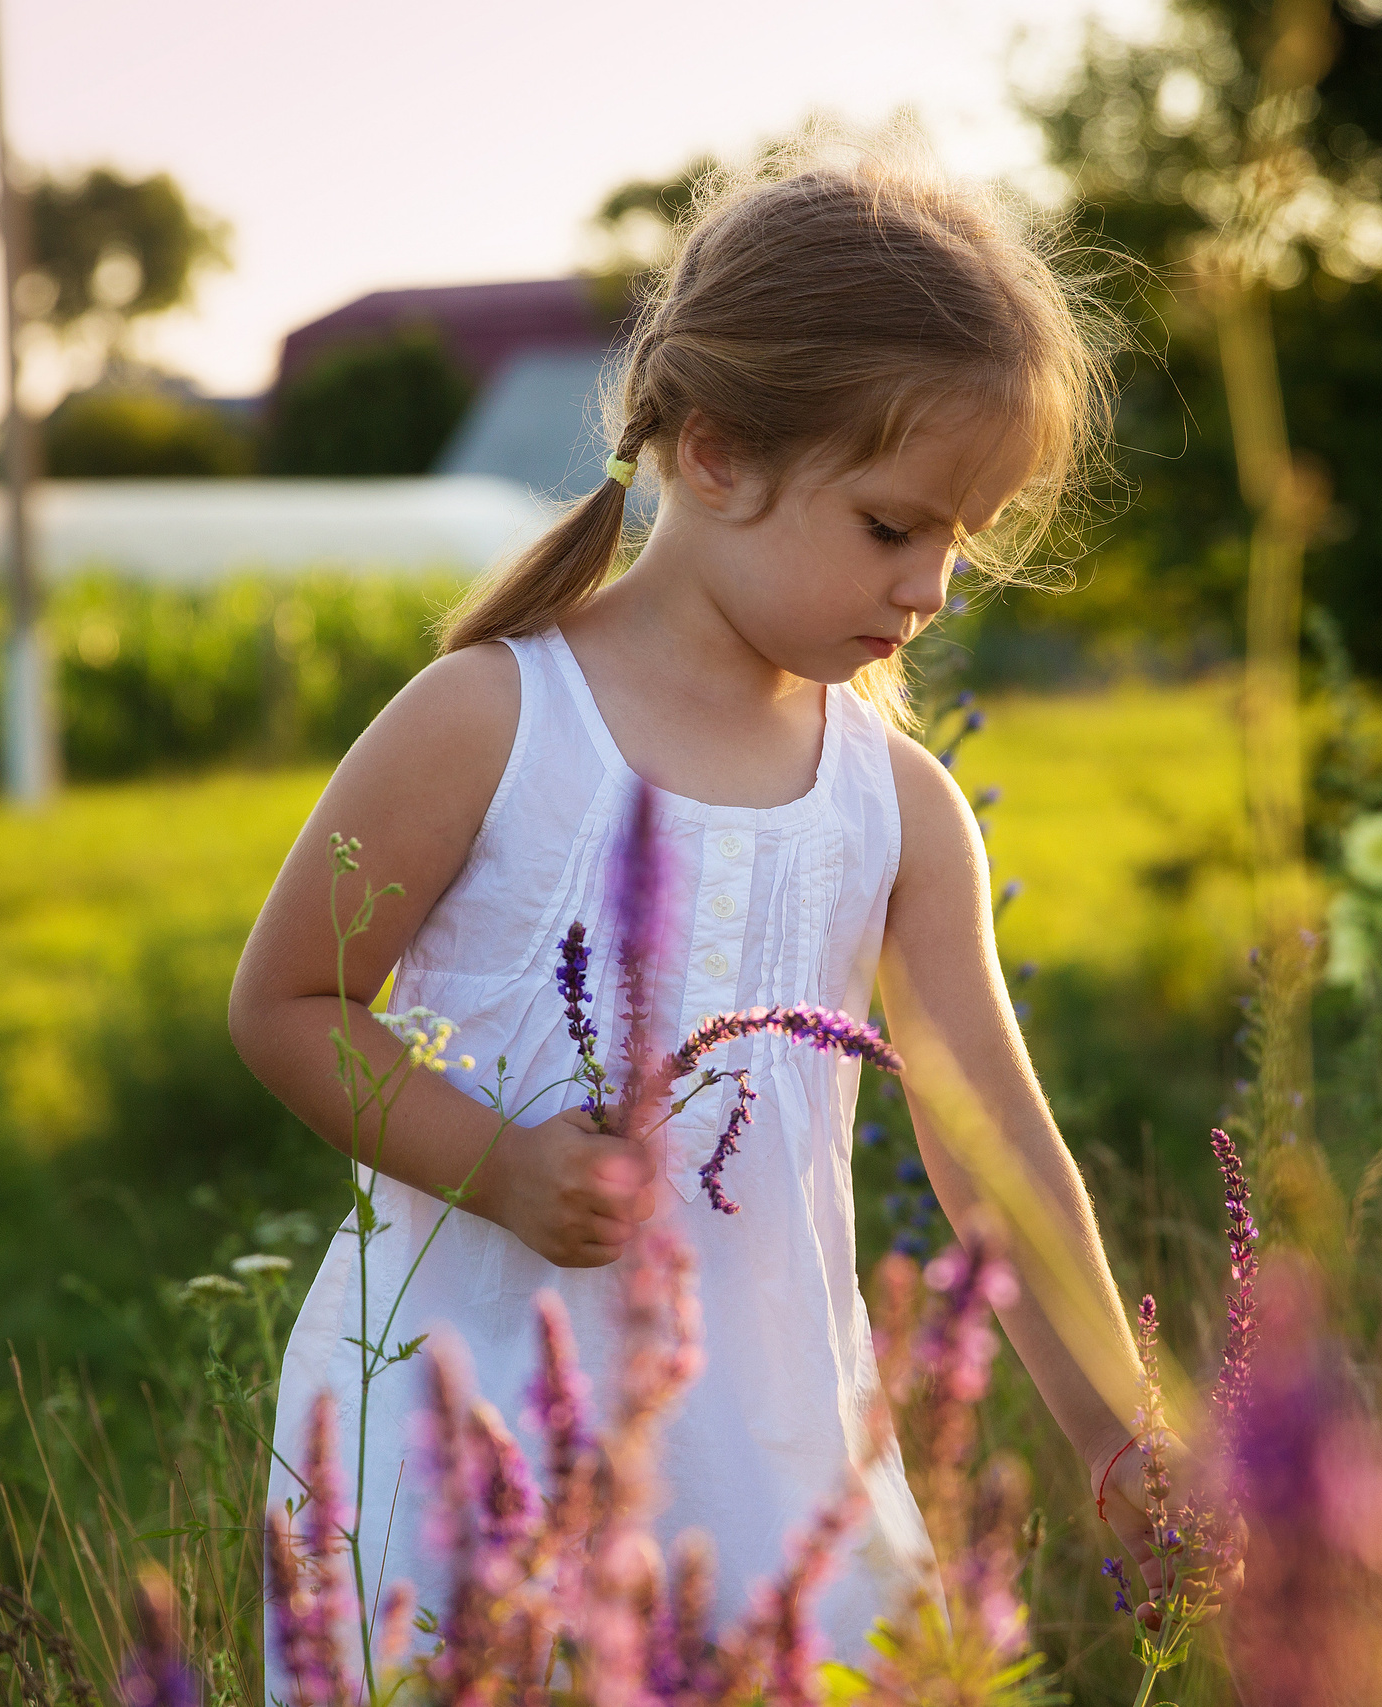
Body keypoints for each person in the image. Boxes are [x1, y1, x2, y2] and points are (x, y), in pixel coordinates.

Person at [231, 140, 1164, 1674]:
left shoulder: (901, 808)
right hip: (462, 1455)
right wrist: (500, 1168)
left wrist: (1122, 1437)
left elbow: (993, 1141)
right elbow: (285, 1004)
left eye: (963, 538)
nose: (933, 586)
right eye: (893, 527)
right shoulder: (489, 719)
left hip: (773, 1473)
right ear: (717, 455)